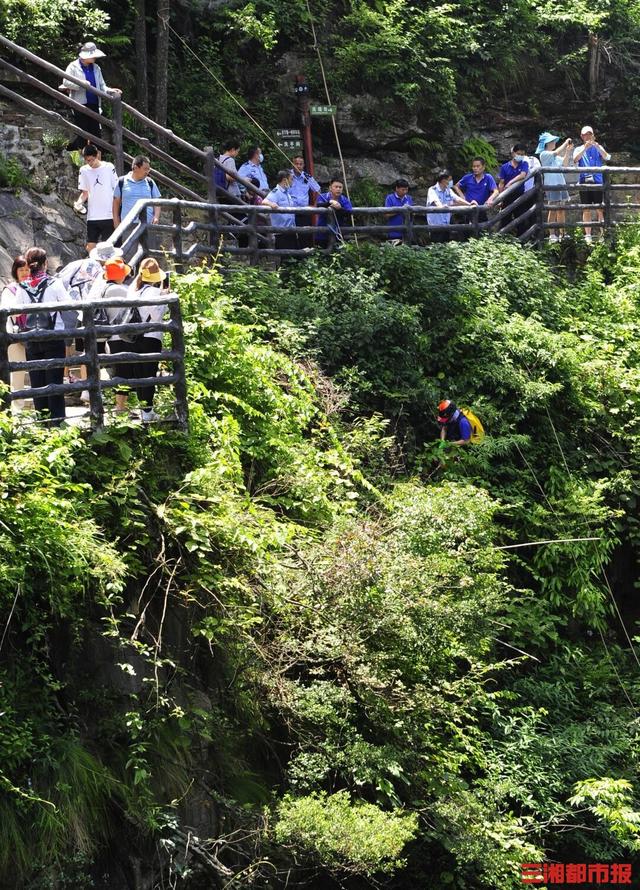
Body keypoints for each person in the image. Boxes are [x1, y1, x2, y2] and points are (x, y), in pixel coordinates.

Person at [3, 248, 75, 425]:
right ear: (45, 264)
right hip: (53, 337)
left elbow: (14, 313)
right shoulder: (54, 283)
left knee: (37, 383)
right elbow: (69, 306)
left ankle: (42, 424)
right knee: (54, 382)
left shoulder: (22, 286)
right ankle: (57, 423)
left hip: (32, 339)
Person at [110, 257, 168, 422]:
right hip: (151, 337)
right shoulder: (154, 292)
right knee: (148, 374)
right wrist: (164, 298)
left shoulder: (132, 290)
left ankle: (140, 409)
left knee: (138, 373)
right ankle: (147, 411)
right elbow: (157, 316)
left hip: (133, 336)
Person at [60, 41, 121, 152]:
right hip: (79, 103)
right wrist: (81, 84)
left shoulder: (96, 68)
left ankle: (96, 160)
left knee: (96, 134)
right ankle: (81, 160)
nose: (94, 58)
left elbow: (102, 86)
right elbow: (66, 82)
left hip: (94, 103)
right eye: (92, 56)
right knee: (82, 132)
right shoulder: (73, 66)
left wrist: (110, 90)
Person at [76, 144, 119, 252]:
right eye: (87, 160)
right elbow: (85, 193)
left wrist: (116, 215)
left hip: (108, 215)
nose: (89, 163)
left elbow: (116, 190)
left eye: (91, 160)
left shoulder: (109, 167)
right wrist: (79, 203)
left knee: (108, 248)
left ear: (97, 155)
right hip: (92, 216)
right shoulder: (83, 170)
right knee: (91, 248)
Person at [0, 255, 30, 410]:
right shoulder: (10, 290)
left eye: (27, 269)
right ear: (15, 271)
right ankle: (17, 409)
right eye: (21, 269)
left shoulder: (35, 287)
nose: (25, 272)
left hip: (34, 334)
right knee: (17, 373)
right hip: (15, 336)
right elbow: (11, 313)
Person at [573, 125, 611, 243]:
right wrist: (585, 148)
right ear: (581, 136)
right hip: (584, 180)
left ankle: (602, 235)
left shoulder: (597, 147)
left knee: (600, 208)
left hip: (598, 181)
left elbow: (607, 157)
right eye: (585, 135)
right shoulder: (578, 148)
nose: (587, 136)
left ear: (593, 135)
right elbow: (575, 159)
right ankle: (588, 235)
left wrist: (596, 145)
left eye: (589, 134)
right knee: (586, 209)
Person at [536, 132, 573, 242]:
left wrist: (567, 151)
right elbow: (556, 152)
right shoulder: (544, 154)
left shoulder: (555, 156)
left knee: (561, 209)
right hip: (551, 185)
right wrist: (566, 143)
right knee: (552, 209)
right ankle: (552, 234)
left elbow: (565, 164)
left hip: (561, 183)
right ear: (547, 143)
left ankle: (562, 233)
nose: (554, 143)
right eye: (552, 141)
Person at [112, 155, 161, 229]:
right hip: (127, 225)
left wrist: (156, 217)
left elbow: (157, 202)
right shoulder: (121, 181)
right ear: (135, 168)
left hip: (148, 225)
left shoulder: (150, 182)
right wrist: (116, 221)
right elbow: (116, 202)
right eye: (145, 169)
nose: (147, 172)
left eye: (148, 169)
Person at [427, 171, 471, 242]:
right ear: (443, 180)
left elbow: (457, 199)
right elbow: (436, 201)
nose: (451, 182)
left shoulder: (448, 190)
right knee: (436, 245)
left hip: (446, 224)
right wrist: (441, 206)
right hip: (436, 225)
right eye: (450, 180)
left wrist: (469, 204)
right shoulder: (432, 190)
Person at [497, 145, 529, 234]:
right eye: (518, 154)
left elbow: (523, 175)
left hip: (519, 196)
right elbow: (501, 183)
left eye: (522, 154)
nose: (520, 156)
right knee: (504, 219)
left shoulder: (524, 164)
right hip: (507, 197)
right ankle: (501, 240)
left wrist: (510, 183)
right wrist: (500, 198)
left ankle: (522, 242)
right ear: (513, 153)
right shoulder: (504, 167)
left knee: (521, 220)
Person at [264, 170, 298, 251]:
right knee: (285, 257)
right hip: (281, 232)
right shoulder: (276, 192)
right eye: (291, 179)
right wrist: (271, 204)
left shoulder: (287, 193)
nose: (292, 181)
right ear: (284, 180)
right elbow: (264, 201)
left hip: (291, 230)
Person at [315, 178, 353, 244]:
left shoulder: (344, 199)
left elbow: (349, 212)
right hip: (322, 233)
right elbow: (318, 205)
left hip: (338, 233)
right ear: (330, 188)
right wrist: (329, 202)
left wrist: (339, 208)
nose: (338, 189)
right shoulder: (323, 196)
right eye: (336, 187)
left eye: (340, 187)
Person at [290, 155, 321, 232]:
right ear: (292, 164)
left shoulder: (307, 177)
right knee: (290, 234)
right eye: (296, 163)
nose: (299, 166)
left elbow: (318, 190)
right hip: (289, 211)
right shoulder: (287, 176)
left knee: (305, 235)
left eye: (301, 164)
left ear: (303, 165)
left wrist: (315, 205)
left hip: (304, 211)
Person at [384, 178, 414, 243]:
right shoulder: (390, 198)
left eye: (406, 190)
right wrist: (400, 210)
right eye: (403, 190)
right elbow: (386, 214)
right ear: (397, 188)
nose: (405, 192)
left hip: (407, 231)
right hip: (393, 231)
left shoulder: (409, 198)